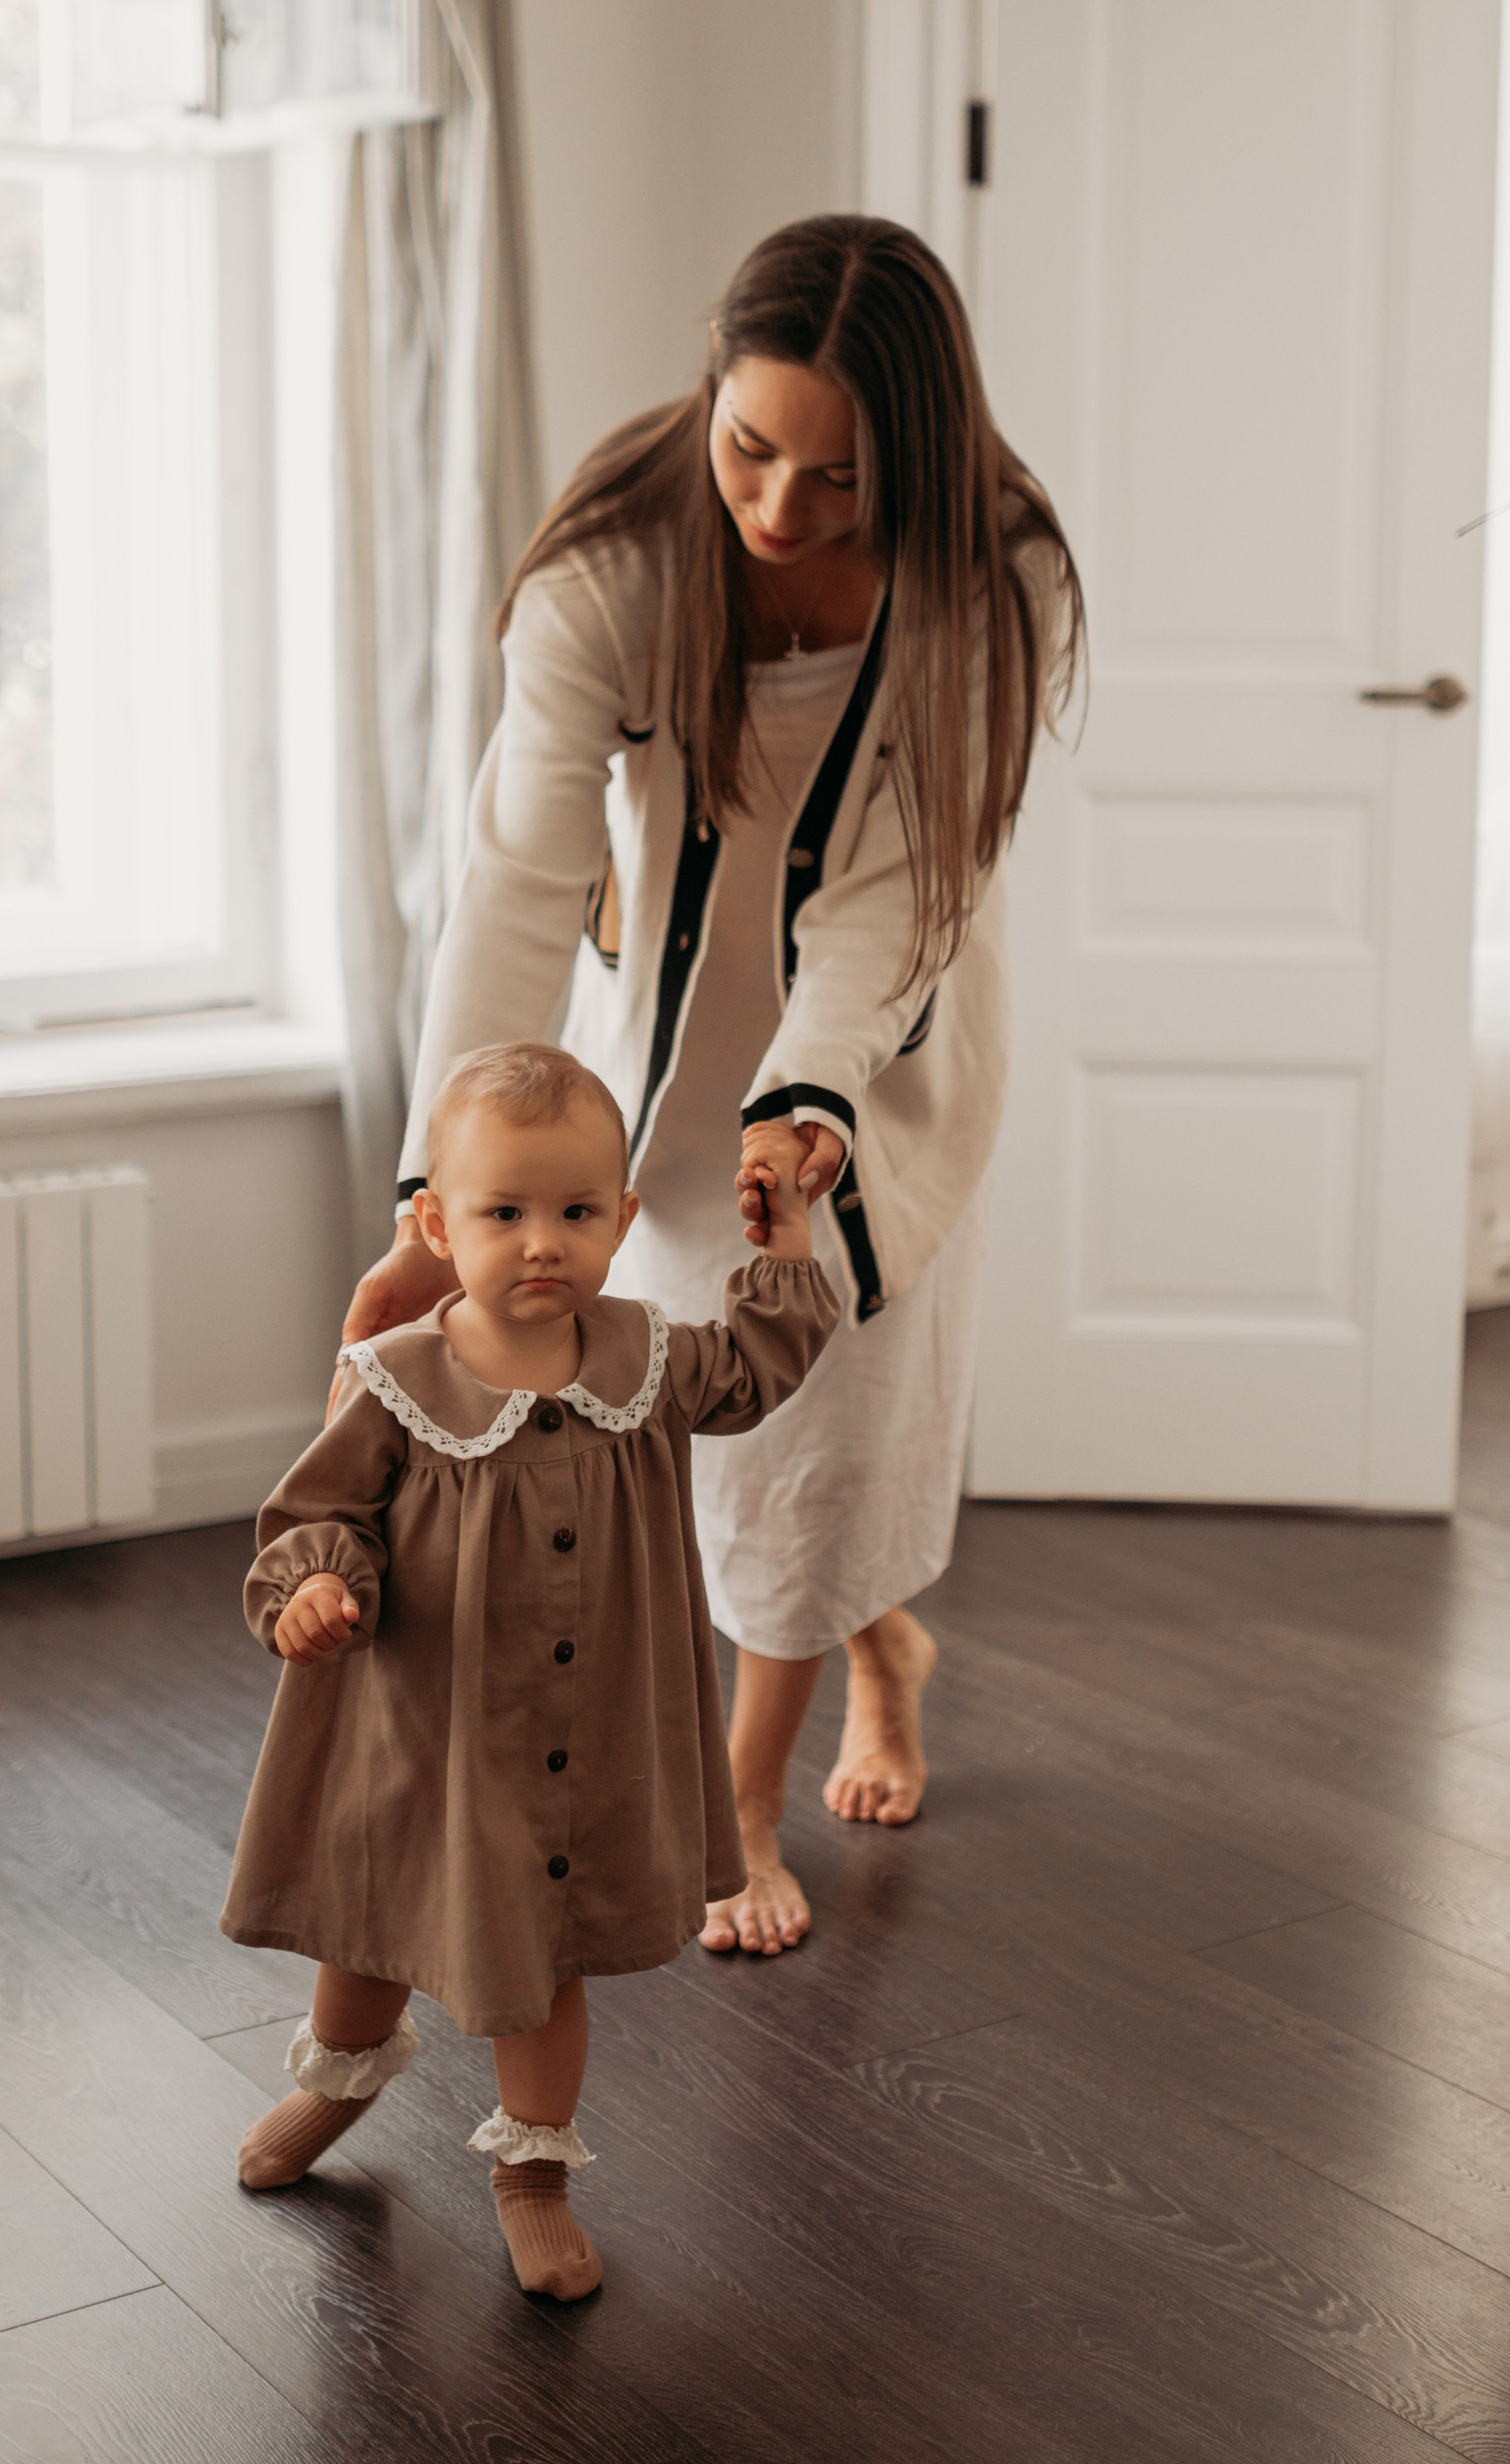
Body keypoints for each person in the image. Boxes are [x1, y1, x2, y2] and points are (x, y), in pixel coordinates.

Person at [343, 215, 1080, 1954]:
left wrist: (809, 1099)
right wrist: (433, 1197)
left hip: (878, 1057)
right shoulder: (612, 567)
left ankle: (737, 1810)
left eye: (839, 479)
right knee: (682, 1435)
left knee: (824, 1421)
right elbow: (518, 892)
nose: (779, 511)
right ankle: (879, 1645)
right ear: (708, 398)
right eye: (749, 448)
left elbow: (904, 894)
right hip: (645, 1066)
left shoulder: (999, 571)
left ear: (918, 456)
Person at [223, 1040, 838, 2299]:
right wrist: (319, 1591)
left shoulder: (647, 1363)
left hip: (580, 1735)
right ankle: (336, 2082)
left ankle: (533, 2175)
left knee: (541, 1959)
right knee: (368, 1930)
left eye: (574, 1212)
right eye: (506, 1213)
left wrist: (786, 1247)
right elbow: (312, 1516)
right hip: (425, 1730)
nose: (543, 1242)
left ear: (620, 1218)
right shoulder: (398, 1381)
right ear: (441, 1226)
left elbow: (761, 1367)